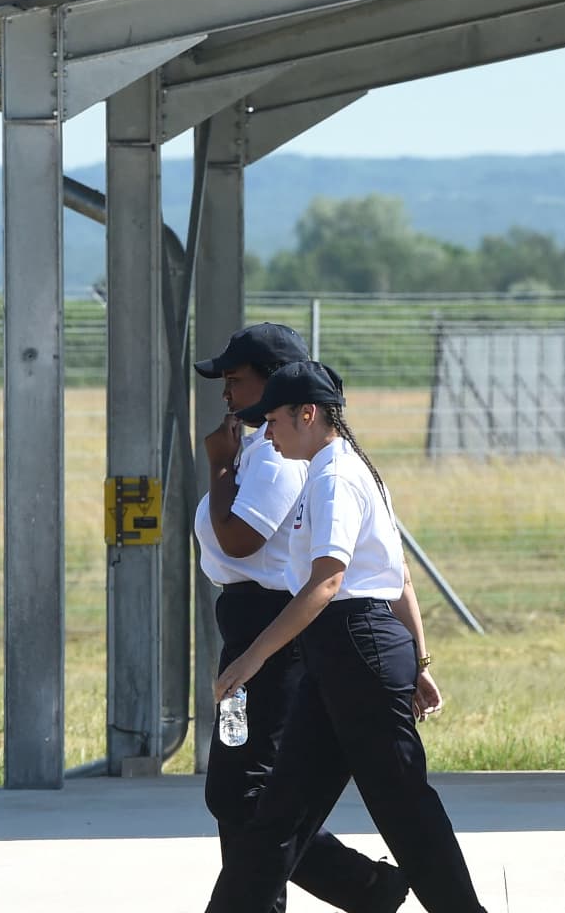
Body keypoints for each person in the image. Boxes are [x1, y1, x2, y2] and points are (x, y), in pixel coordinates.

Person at [206, 361, 485, 913]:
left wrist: (252, 660)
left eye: (275, 420)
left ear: (307, 414)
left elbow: (328, 581)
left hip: (357, 647)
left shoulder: (335, 477)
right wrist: (419, 660)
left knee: (405, 809)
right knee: (280, 813)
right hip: (343, 654)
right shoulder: (335, 470)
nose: (269, 432)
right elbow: (398, 573)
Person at [193, 324, 407, 913]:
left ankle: (362, 887)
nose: (227, 394)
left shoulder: (276, 451)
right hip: (253, 619)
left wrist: (216, 468)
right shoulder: (265, 446)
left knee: (249, 790)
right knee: (247, 792)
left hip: (272, 621)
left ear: (274, 385)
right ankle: (357, 889)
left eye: (235, 381)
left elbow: (239, 540)